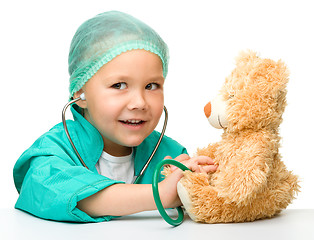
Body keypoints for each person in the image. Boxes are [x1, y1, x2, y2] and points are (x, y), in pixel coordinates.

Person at [13, 11, 217, 223]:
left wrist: (193, 182)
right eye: (118, 85)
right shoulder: (54, 149)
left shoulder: (170, 155)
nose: (139, 102)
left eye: (151, 86)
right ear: (80, 94)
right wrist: (160, 193)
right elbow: (48, 188)